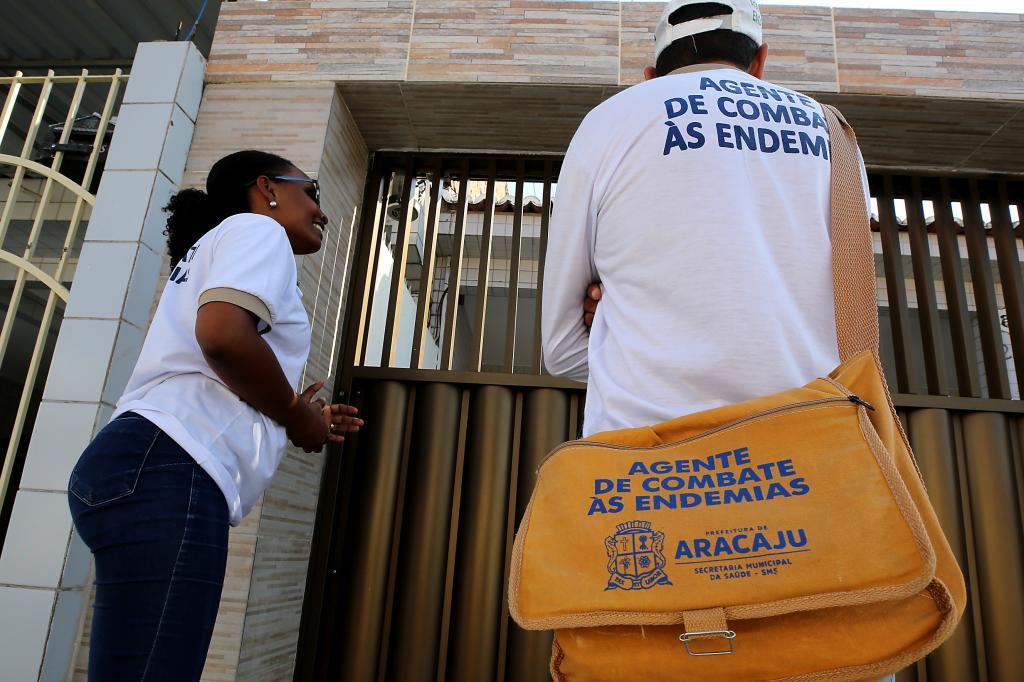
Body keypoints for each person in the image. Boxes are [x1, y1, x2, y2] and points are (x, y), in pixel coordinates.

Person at [67, 150, 363, 681]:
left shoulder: (221, 243)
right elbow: (223, 336)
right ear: (267, 188)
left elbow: (221, 356)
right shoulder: (258, 230)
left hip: (140, 460)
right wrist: (295, 414)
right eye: (312, 191)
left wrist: (298, 413)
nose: (321, 210)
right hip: (171, 466)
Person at [543, 0, 870, 439]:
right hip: (808, 446)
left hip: (647, 456)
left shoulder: (609, 121)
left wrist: (626, 334)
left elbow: (561, 350)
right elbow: (852, 316)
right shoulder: (833, 133)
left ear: (651, 77)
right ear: (760, 61)